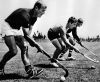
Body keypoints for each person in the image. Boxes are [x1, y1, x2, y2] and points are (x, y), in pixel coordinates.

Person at [0, 0, 47, 78]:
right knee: (13, 51)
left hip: (18, 28)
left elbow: (28, 33)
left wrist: (32, 43)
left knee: (24, 47)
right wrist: (37, 45)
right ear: (36, 8)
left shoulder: (34, 18)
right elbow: (26, 35)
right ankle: (0, 67)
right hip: (8, 27)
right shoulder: (24, 15)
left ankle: (30, 71)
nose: (43, 13)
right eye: (42, 10)